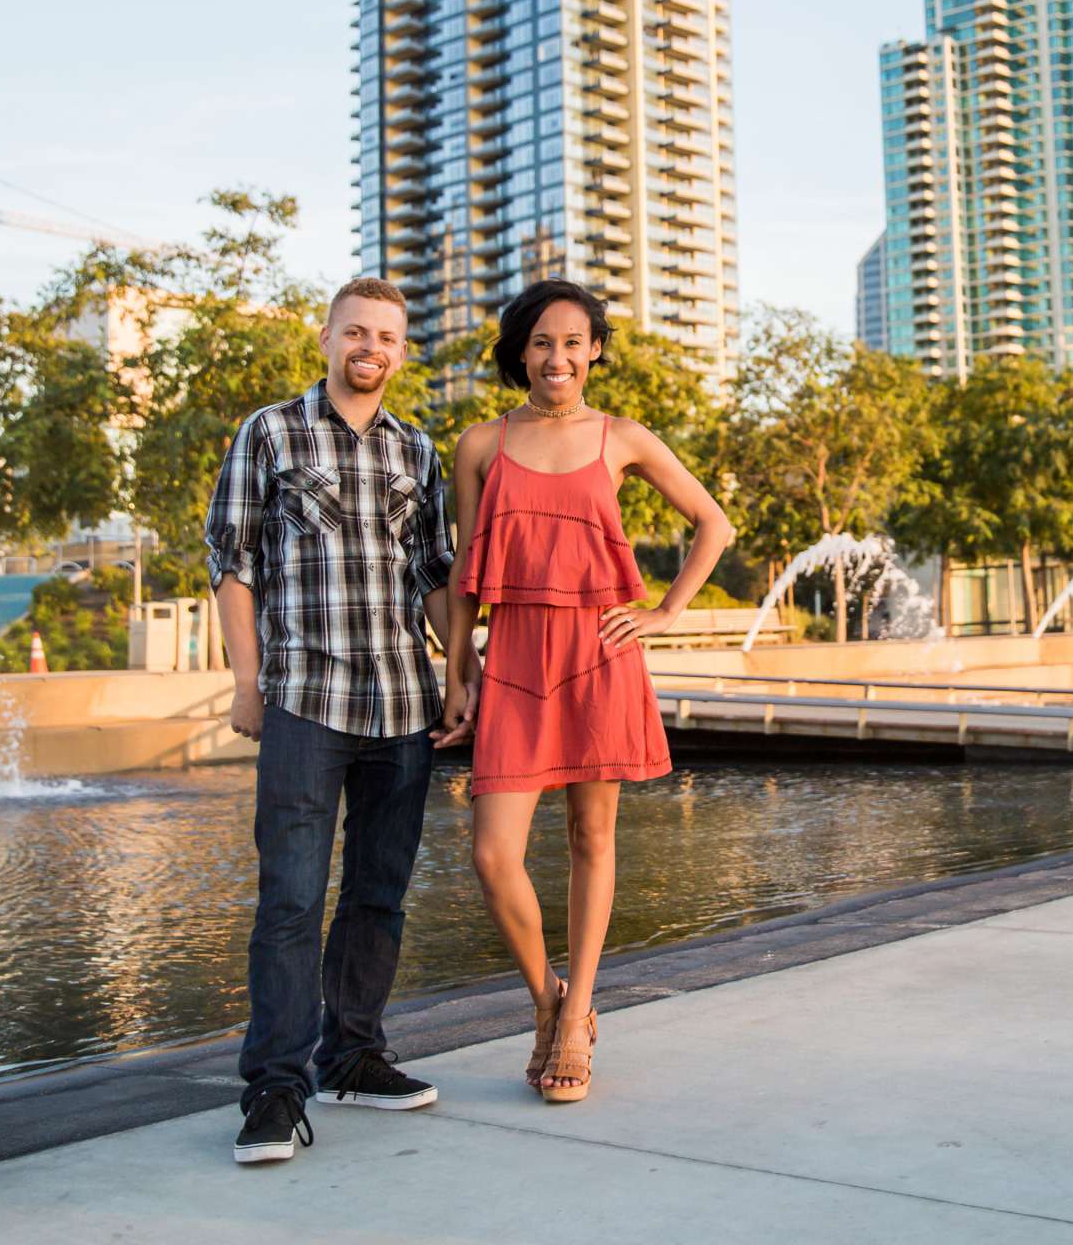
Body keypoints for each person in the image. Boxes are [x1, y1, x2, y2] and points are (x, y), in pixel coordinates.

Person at [441, 278, 731, 1104]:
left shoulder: (622, 438)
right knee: (493, 855)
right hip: (516, 655)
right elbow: (467, 575)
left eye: (572, 341)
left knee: (591, 840)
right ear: (519, 353)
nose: (556, 356)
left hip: (601, 649)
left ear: (595, 349)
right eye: (540, 342)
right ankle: (546, 1000)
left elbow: (715, 523)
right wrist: (459, 673)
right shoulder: (480, 445)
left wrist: (665, 612)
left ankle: (578, 1022)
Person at [205, 277, 471, 1165]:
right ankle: (276, 1090)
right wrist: (249, 683)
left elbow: (434, 574)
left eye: (388, 337)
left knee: (377, 897)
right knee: (289, 901)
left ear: (401, 351)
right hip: (305, 702)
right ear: (326, 339)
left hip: (401, 703)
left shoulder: (418, 451)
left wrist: (461, 674)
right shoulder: (270, 431)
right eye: (357, 332)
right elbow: (232, 563)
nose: (373, 348)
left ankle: (353, 1055)